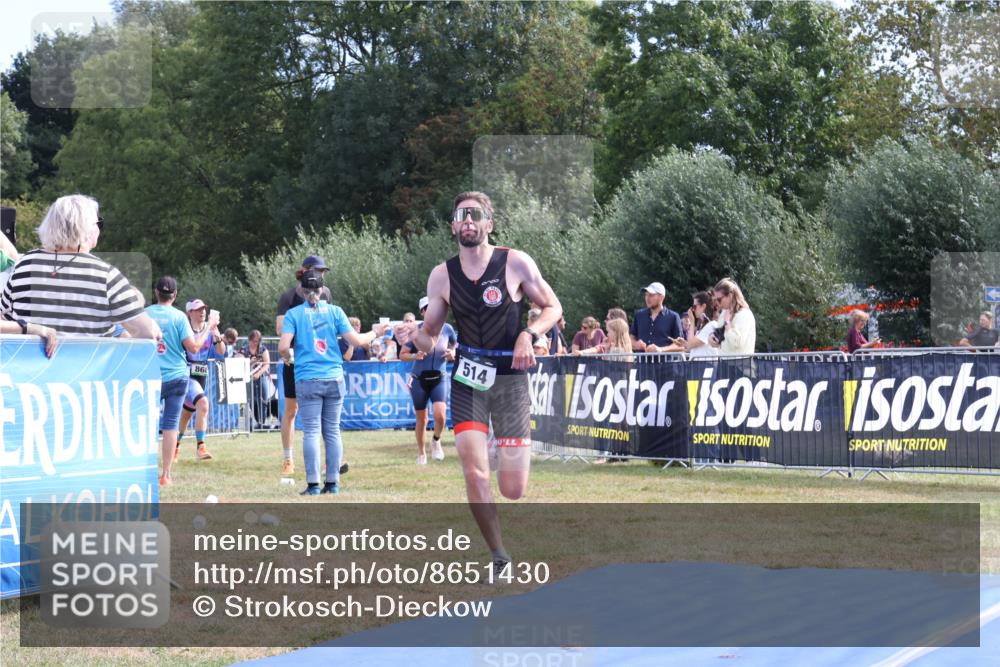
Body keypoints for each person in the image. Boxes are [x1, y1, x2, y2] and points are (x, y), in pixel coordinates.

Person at [405, 191, 562, 574]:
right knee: (474, 473)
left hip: (510, 382)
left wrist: (530, 334)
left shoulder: (515, 262)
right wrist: (412, 336)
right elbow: (431, 334)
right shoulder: (442, 275)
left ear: (489, 223)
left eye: (476, 215)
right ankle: (498, 554)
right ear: (453, 226)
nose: (469, 222)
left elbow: (554, 307)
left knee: (513, 488)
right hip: (468, 379)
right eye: (462, 216)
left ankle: (500, 451)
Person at [278, 270, 388, 495]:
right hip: (334, 378)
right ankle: (333, 483)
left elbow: (282, 347)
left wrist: (290, 359)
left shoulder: (293, 314)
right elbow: (357, 341)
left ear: (302, 290)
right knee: (332, 431)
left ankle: (313, 485)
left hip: (307, 378)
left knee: (311, 431)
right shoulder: (336, 312)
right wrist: (375, 333)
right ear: (321, 289)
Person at [1, 194, 159, 339]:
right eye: (99, 224)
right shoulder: (106, 275)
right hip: (89, 369)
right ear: (88, 230)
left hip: (30, 368)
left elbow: (4, 318)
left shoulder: (23, 265)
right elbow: (149, 333)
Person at [146, 277, 218, 485]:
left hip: (151, 376)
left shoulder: (145, 314)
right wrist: (209, 327)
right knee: (170, 425)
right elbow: (194, 347)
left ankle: (145, 470)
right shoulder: (179, 317)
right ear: (175, 295)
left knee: (147, 425)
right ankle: (166, 475)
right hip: (177, 377)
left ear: (156, 292)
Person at [276, 255, 334, 476]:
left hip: (320, 359)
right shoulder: (289, 296)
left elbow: (329, 322)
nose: (321, 275)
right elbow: (281, 329)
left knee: (324, 414)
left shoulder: (326, 293)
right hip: (294, 359)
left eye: (323, 272)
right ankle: (288, 459)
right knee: (291, 410)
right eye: (318, 270)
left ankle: (330, 461)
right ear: (306, 270)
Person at [400, 296, 457, 465]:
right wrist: (414, 355)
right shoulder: (415, 331)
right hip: (419, 379)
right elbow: (402, 355)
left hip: (439, 378)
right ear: (422, 312)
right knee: (422, 419)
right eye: (427, 309)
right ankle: (421, 453)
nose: (432, 313)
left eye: (435, 309)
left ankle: (436, 440)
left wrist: (452, 353)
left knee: (440, 415)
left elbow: (454, 344)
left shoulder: (447, 329)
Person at [176, 298, 224, 461]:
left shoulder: (209, 328)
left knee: (186, 414)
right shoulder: (186, 329)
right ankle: (201, 447)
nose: (203, 312)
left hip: (201, 374)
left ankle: (175, 446)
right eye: (198, 309)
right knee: (203, 404)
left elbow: (220, 351)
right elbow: (195, 345)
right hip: (187, 372)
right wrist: (209, 329)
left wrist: (217, 336)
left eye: (204, 309)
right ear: (190, 313)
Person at [630, 282, 682, 353]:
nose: (647, 298)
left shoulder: (673, 317)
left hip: (664, 363)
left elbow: (680, 345)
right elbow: (631, 338)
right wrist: (636, 344)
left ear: (661, 297)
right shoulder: (639, 315)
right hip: (642, 363)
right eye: (646, 295)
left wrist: (661, 349)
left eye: (651, 295)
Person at [710, 278, 756, 355]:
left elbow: (737, 343)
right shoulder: (724, 313)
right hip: (723, 362)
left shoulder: (744, 314)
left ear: (730, 296)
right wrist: (711, 338)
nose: (717, 303)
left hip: (740, 364)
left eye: (719, 299)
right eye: (715, 300)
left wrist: (727, 323)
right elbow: (719, 335)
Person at [673, 291, 721, 358]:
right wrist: (684, 343)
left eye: (694, 306)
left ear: (703, 306)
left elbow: (691, 344)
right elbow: (693, 347)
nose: (693, 309)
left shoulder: (711, 325)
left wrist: (692, 321)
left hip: (705, 365)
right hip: (700, 365)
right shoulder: (703, 325)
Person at [246, 329, 273, 428]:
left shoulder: (263, 349)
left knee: (263, 399)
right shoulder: (244, 349)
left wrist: (258, 373)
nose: (254, 343)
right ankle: (256, 421)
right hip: (249, 378)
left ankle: (262, 422)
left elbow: (267, 364)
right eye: (253, 340)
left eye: (257, 341)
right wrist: (250, 362)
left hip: (262, 377)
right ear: (249, 339)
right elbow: (239, 361)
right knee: (252, 400)